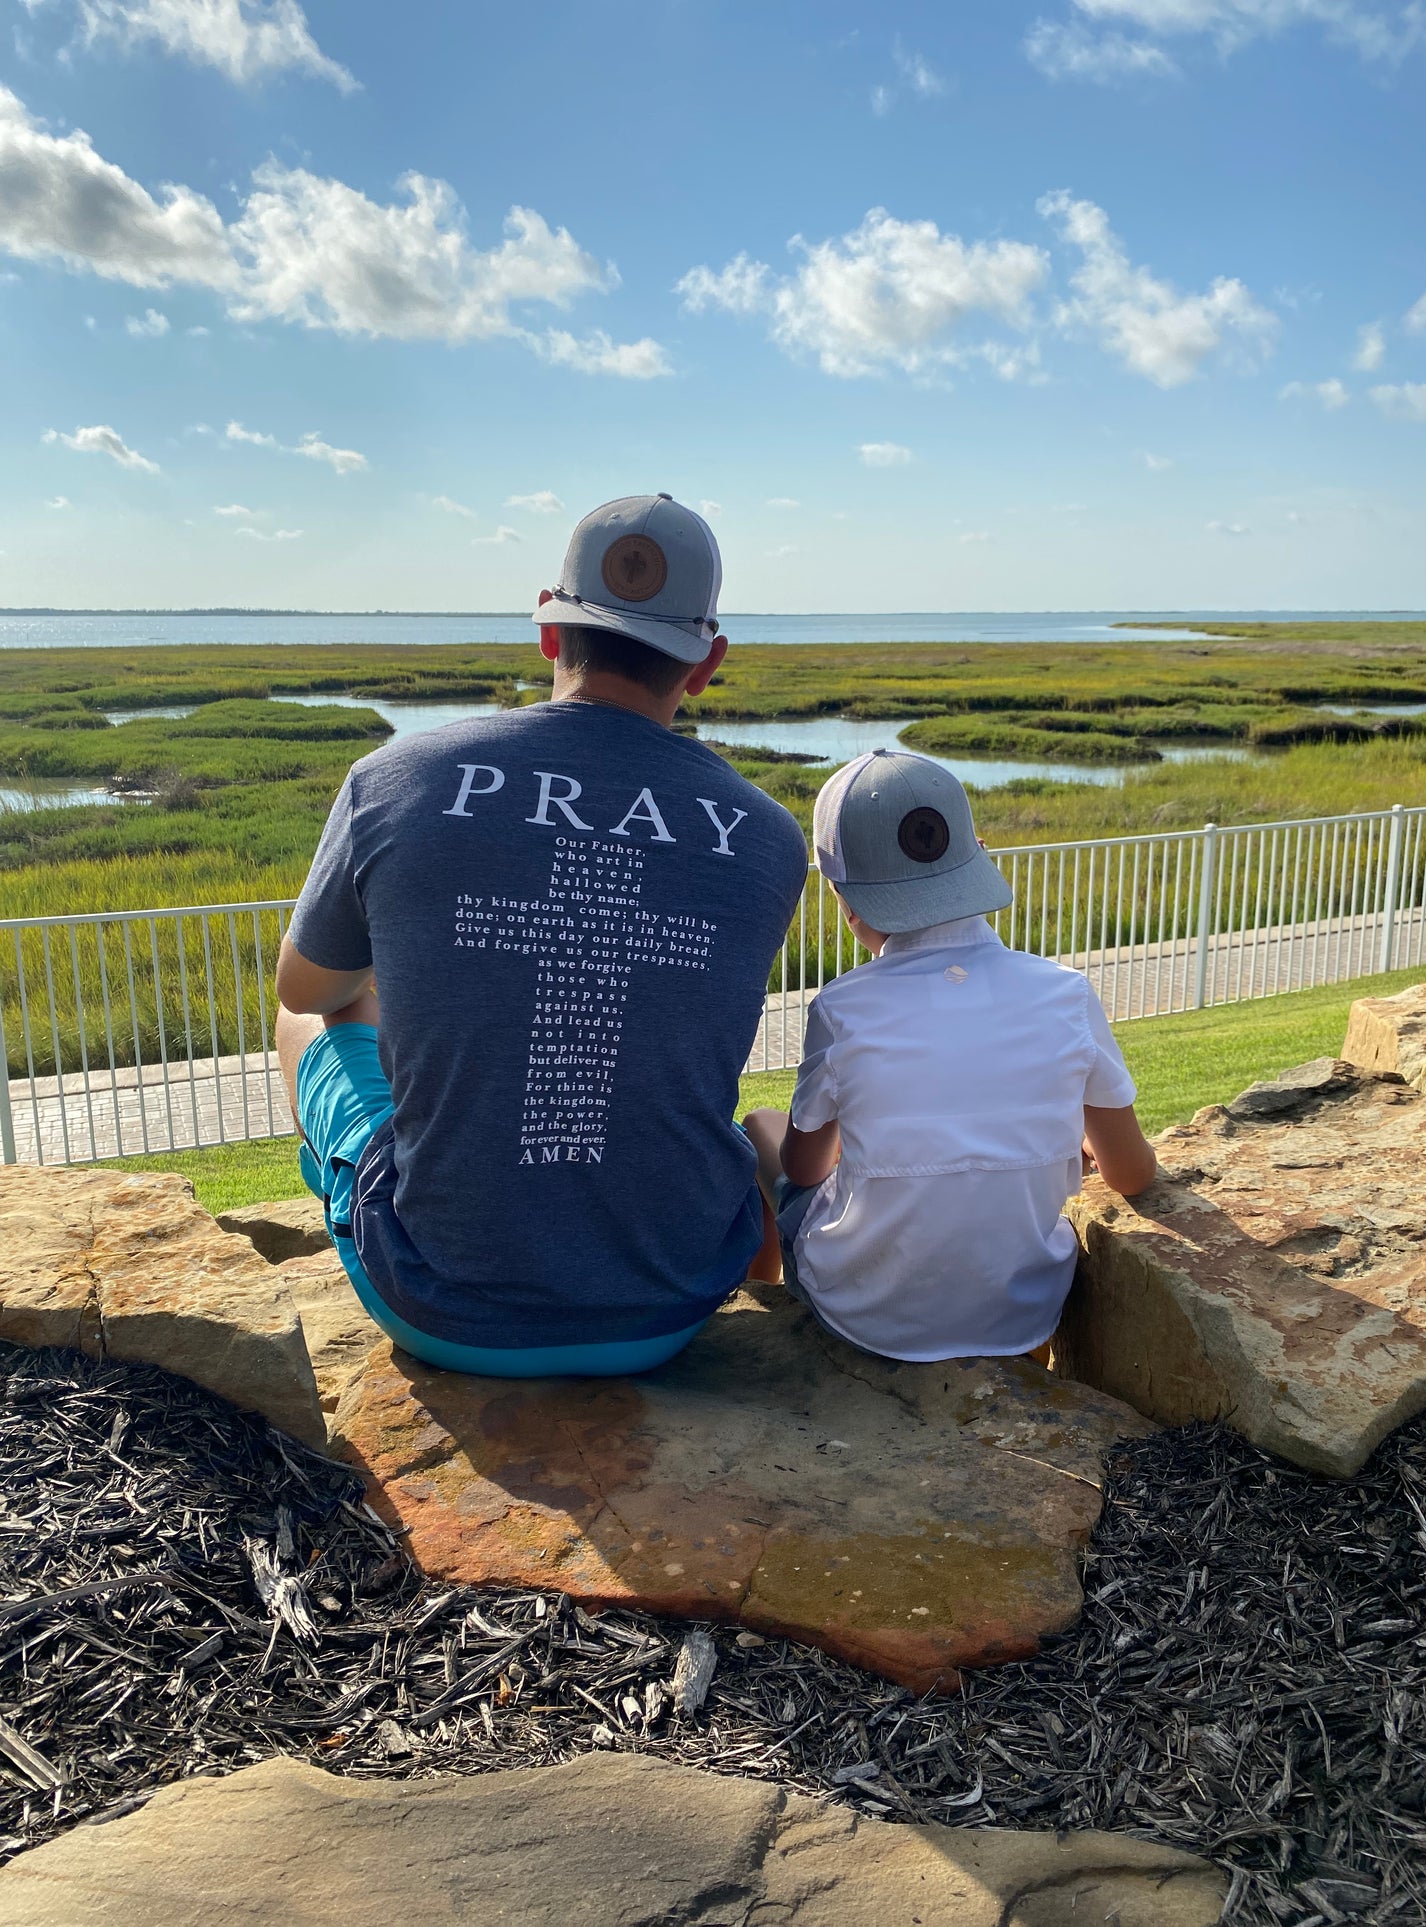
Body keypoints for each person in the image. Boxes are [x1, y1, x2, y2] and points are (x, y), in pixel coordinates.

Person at [275, 494, 807, 1377]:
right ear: (707, 661)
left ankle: (375, 1186)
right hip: (669, 1306)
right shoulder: (766, 837)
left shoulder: (395, 778)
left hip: (443, 1304)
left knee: (318, 1019)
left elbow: (306, 988)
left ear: (549, 632)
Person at [743, 748, 1156, 1364]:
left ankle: (763, 1297)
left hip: (868, 1314)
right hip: (1023, 1310)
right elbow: (1132, 1174)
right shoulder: (1066, 993)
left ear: (843, 896)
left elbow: (804, 1170)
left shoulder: (842, 1007)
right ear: (979, 852)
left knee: (759, 1126)